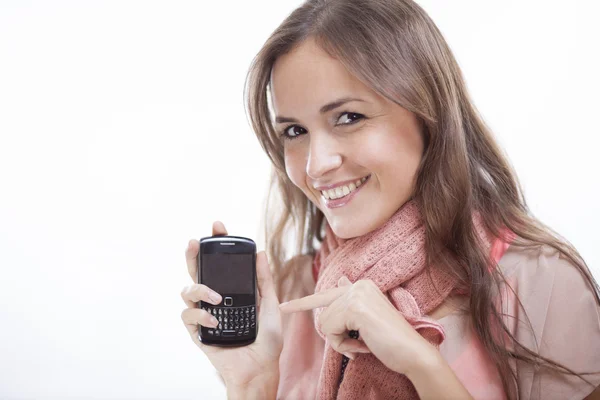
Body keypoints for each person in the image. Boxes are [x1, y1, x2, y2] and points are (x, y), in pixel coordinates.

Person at [180, 0, 600, 398]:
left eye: (348, 117)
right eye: (294, 131)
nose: (315, 165)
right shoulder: (289, 296)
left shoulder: (539, 282)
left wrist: (422, 366)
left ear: (427, 113)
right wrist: (252, 385)